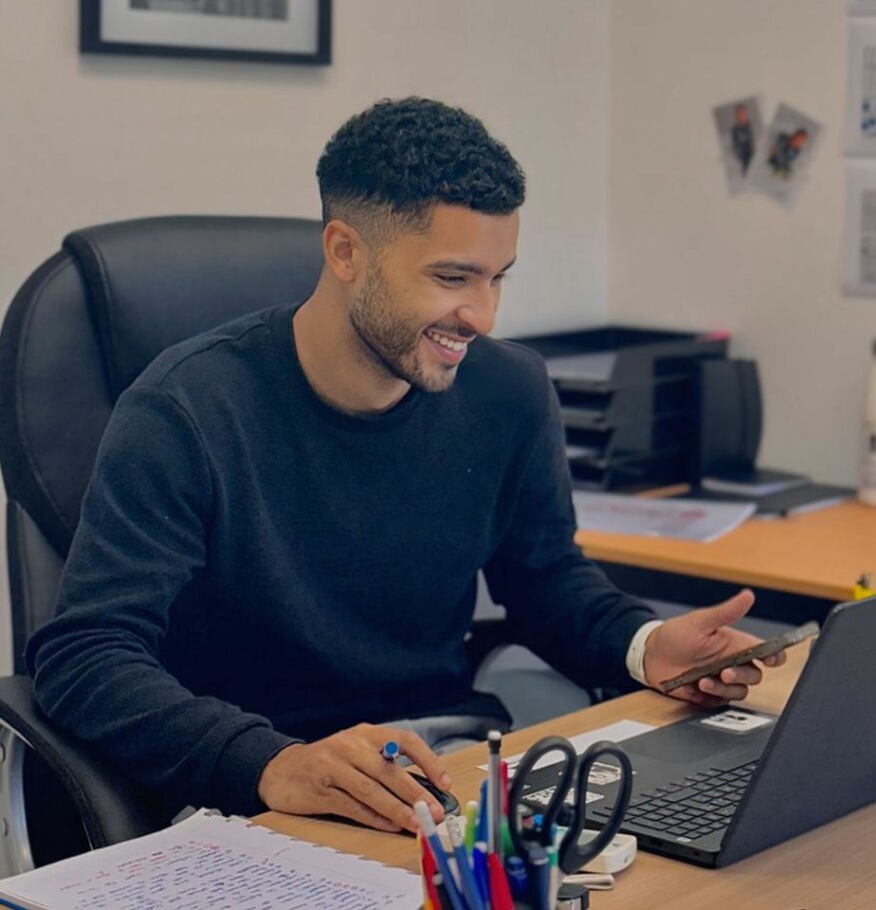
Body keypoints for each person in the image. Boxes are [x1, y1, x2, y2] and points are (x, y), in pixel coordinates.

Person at [28, 98, 784, 836]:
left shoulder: (510, 392)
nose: (484, 317)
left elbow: (546, 581)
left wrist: (646, 646)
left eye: (498, 278)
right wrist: (271, 762)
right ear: (346, 252)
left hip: (445, 766)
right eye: (453, 279)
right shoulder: (186, 410)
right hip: (260, 791)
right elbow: (83, 655)